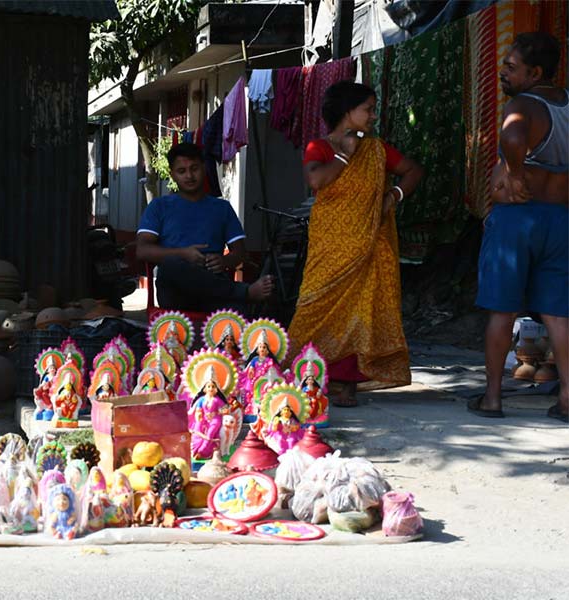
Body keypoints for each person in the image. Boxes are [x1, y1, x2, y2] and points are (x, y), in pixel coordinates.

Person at [289, 81, 423, 407]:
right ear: (347, 110)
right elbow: (317, 179)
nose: (373, 115)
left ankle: (346, 380)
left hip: (369, 245)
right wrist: (344, 155)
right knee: (314, 305)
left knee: (361, 310)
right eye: (368, 109)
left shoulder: (376, 150)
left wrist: (393, 195)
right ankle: (301, 370)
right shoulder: (319, 147)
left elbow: (413, 171)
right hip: (330, 246)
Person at [471, 33, 568, 423]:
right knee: (560, 315)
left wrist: (512, 171)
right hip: (560, 218)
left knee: (502, 311)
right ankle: (566, 400)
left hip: (518, 219)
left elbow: (512, 134)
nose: (503, 72)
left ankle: (492, 398)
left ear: (535, 73)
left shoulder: (524, 104)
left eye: (511, 67)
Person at [136, 142, 274, 313]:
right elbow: (142, 250)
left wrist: (223, 261)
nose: (189, 176)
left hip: (213, 286)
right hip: (176, 291)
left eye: (194, 168)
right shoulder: (159, 206)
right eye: (182, 171)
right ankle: (245, 292)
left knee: (254, 315)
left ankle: (242, 299)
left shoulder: (222, 208)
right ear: (172, 175)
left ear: (204, 168)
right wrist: (184, 254)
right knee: (172, 266)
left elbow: (240, 253)